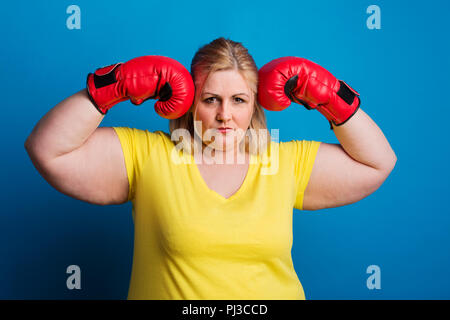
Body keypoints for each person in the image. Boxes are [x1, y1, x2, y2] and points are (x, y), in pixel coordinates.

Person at [24, 37, 397, 300]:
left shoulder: (283, 161)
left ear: (255, 105)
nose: (224, 115)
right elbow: (47, 149)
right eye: (210, 99)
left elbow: (378, 162)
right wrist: (114, 86)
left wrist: (331, 96)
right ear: (188, 102)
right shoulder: (149, 156)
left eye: (238, 100)